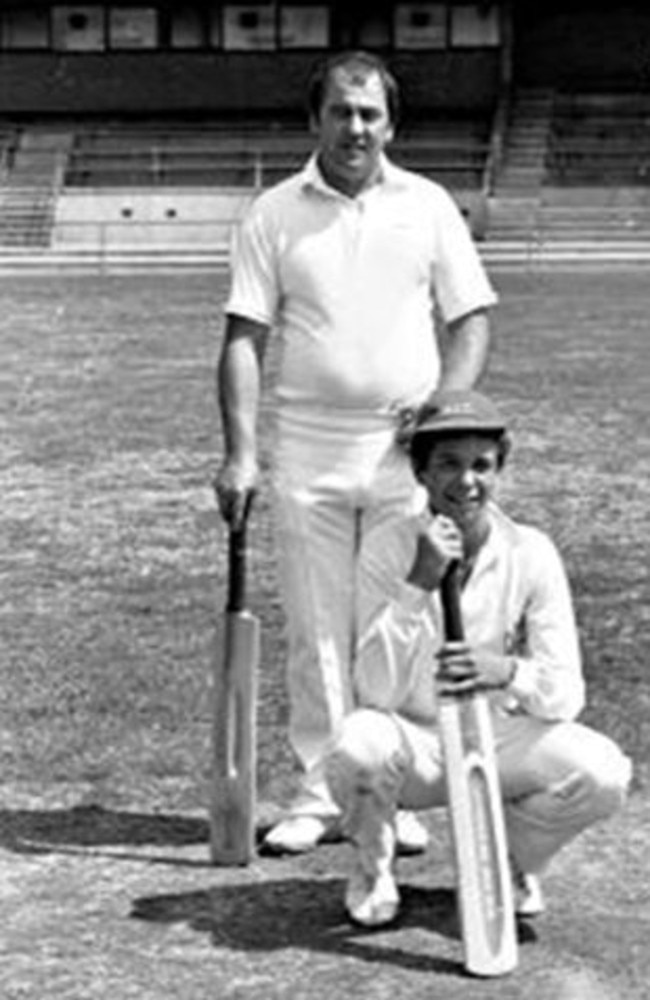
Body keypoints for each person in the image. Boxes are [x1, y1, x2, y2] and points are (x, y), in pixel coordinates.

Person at [215, 50, 498, 855]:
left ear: (391, 123)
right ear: (317, 119)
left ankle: (387, 788)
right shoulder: (273, 212)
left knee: (394, 626)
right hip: (307, 451)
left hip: (402, 456)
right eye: (341, 111)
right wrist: (241, 454)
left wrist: (444, 409)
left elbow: (470, 316)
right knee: (317, 631)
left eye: (370, 113)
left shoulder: (428, 204)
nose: (356, 127)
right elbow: (244, 339)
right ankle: (319, 791)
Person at [324, 389, 632, 927]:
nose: (466, 482)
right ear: (420, 471)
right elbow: (372, 690)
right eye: (447, 464)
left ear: (499, 471)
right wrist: (418, 583)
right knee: (358, 745)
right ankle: (374, 866)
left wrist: (506, 671)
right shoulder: (386, 546)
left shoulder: (531, 552)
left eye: (481, 466)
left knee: (602, 771)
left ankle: (511, 861)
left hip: (495, 737)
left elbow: (566, 694)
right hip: (413, 742)